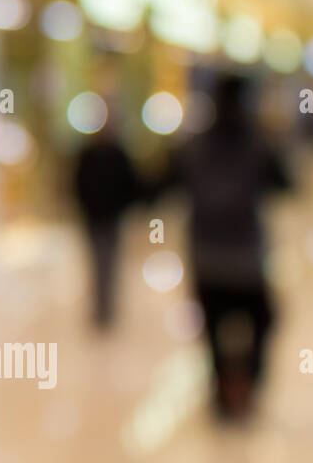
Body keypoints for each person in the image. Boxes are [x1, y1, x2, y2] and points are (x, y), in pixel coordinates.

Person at [165, 75, 290, 421]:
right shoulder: (258, 142)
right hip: (247, 258)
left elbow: (168, 182)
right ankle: (250, 381)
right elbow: (286, 183)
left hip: (206, 256)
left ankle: (221, 392)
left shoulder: (195, 145)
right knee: (264, 319)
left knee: (213, 331)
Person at [72, 119, 143, 329]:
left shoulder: (113, 155)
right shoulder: (92, 155)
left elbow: (128, 184)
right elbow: (79, 184)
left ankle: (106, 308)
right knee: (100, 263)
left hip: (109, 217)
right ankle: (102, 308)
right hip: (97, 218)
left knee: (107, 263)